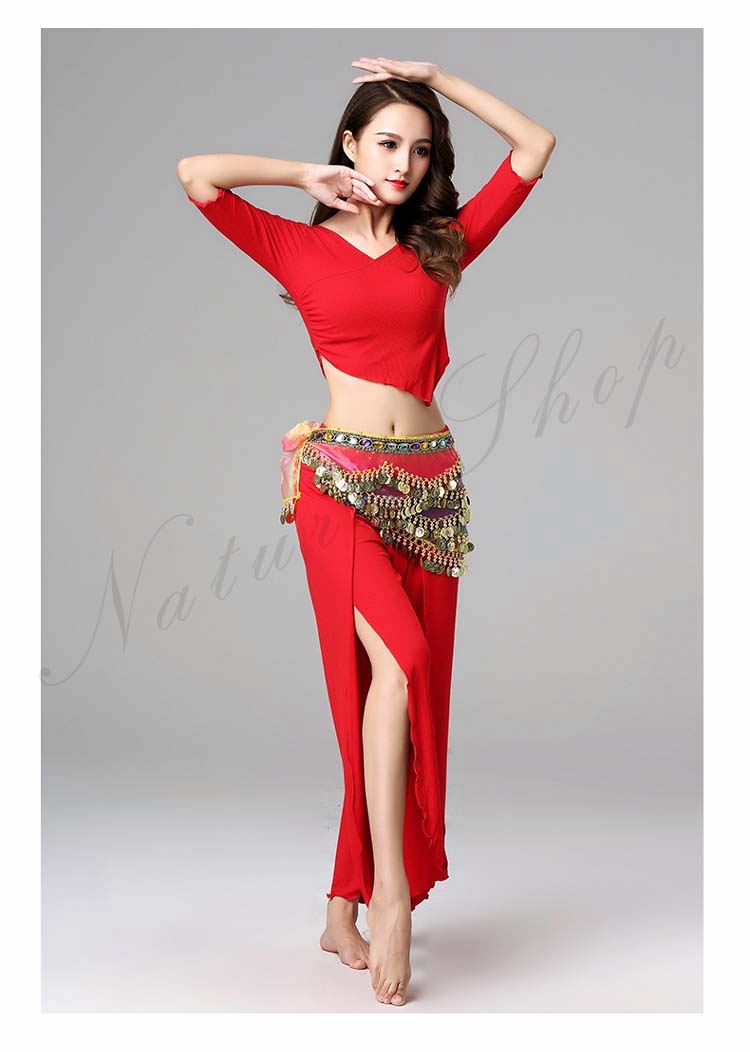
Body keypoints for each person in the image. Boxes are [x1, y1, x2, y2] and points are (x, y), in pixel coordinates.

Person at [177, 55, 554, 1007]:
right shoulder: (295, 246)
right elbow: (197, 175)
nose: (403, 163)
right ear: (350, 144)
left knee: (390, 702)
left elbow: (535, 146)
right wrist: (301, 177)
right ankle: (391, 898)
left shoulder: (443, 247)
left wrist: (437, 76)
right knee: (402, 668)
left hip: (431, 490)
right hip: (338, 483)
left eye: (421, 150)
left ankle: (339, 906)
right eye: (386, 142)